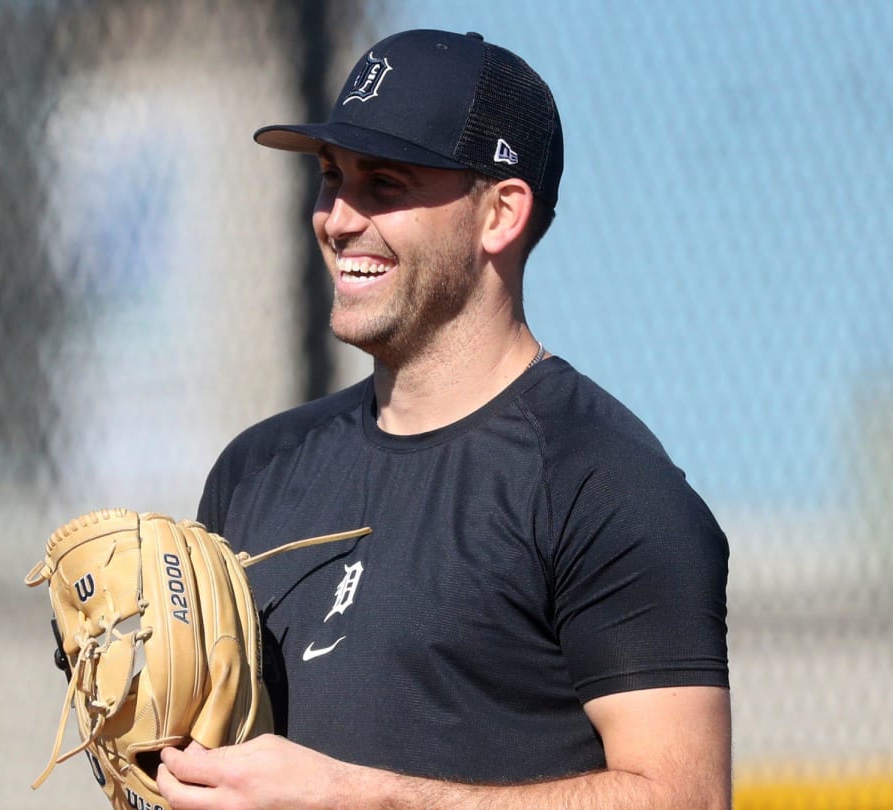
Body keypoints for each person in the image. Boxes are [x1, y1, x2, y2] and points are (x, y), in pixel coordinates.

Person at [158, 28, 731, 809]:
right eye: (332, 178)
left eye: (385, 184)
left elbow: (685, 798)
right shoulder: (256, 469)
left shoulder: (604, 483)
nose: (337, 219)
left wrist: (354, 799)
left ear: (500, 213)